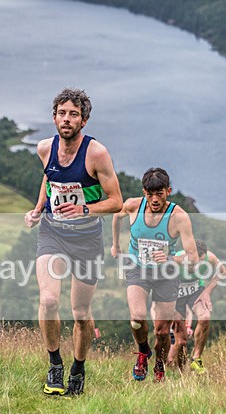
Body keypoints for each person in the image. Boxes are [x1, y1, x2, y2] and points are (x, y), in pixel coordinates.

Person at [24, 88, 123, 397]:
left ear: (84, 120)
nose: (67, 119)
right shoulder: (45, 148)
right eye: (62, 113)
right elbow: (48, 177)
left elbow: (116, 201)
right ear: (54, 117)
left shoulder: (96, 154)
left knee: (80, 312)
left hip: (87, 240)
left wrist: (84, 209)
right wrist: (38, 208)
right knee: (49, 301)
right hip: (52, 233)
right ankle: (55, 365)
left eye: (74, 114)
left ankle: (78, 369)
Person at [111, 167, 197, 382]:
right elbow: (117, 217)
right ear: (144, 193)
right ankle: (143, 352)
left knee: (162, 331)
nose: (155, 199)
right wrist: (116, 245)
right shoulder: (133, 206)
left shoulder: (179, 217)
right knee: (137, 318)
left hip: (166, 275)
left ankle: (160, 364)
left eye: (160, 193)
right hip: (138, 269)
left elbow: (193, 257)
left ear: (168, 191)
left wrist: (170, 258)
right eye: (150, 194)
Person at [169, 239, 226, 374]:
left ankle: (196, 359)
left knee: (205, 317)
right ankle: (178, 372)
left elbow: (223, 271)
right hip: (175, 296)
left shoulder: (209, 257)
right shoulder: (176, 261)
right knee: (181, 342)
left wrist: (207, 291)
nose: (198, 265)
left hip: (195, 290)